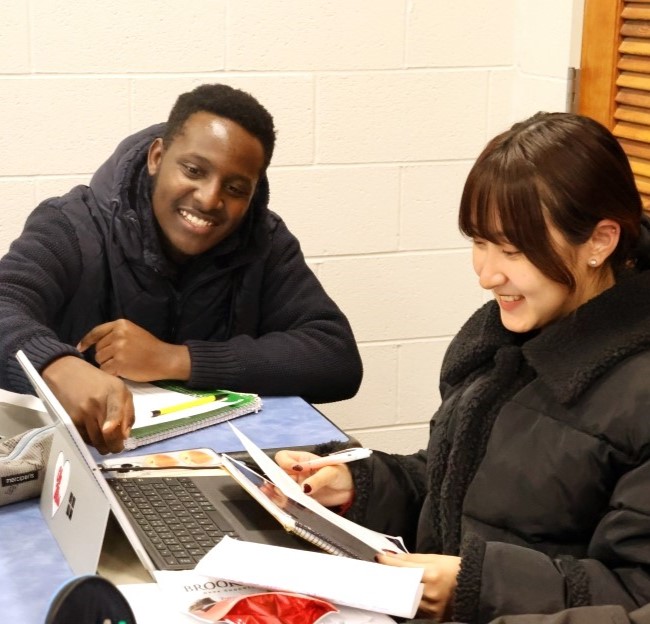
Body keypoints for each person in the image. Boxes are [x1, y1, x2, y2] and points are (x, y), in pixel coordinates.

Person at [275, 112, 650, 622]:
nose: (487, 274)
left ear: (600, 242)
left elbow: (635, 594)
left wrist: (473, 586)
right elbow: (459, 487)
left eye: (513, 250)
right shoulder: (505, 340)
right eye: (478, 242)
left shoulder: (637, 391)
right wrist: (359, 484)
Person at [0, 83, 362, 454]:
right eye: (193, 170)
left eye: (236, 189)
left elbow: (336, 358)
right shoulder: (72, 224)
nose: (209, 198)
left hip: (217, 468)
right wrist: (57, 366)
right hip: (86, 469)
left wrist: (175, 359)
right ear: (157, 156)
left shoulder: (265, 243)